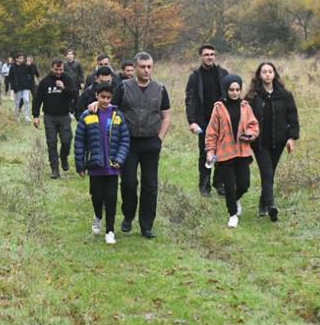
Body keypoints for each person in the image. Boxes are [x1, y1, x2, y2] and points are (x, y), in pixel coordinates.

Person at [92, 52, 171, 239]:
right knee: (129, 183)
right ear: (135, 68)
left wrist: (160, 138)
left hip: (151, 141)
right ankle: (128, 215)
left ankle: (146, 225)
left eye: (149, 67)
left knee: (150, 184)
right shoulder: (123, 87)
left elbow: (166, 114)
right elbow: (112, 109)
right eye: (142, 67)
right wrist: (94, 105)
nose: (146, 70)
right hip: (128, 142)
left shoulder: (160, 89)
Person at [74, 82, 130, 245]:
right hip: (95, 165)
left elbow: (124, 140)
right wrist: (81, 165)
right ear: (96, 97)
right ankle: (98, 215)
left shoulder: (117, 116)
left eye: (108, 97)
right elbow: (80, 142)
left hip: (112, 167)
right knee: (97, 196)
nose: (105, 100)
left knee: (112, 197)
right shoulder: (87, 115)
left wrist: (119, 159)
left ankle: (110, 230)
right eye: (102, 97)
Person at [247, 61, 300, 222]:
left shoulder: (285, 95)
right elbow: (245, 118)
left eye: (270, 71)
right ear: (259, 75)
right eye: (264, 72)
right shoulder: (253, 97)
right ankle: (271, 206)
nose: (268, 74)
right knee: (267, 172)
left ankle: (263, 204)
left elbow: (292, 117)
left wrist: (291, 138)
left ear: (275, 74)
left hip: (279, 141)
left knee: (269, 174)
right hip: (260, 143)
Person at [205, 74, 259, 228]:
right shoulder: (218, 108)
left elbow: (253, 125)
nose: (235, 93)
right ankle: (233, 214)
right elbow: (212, 132)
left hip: (242, 151)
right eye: (231, 90)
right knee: (229, 186)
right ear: (226, 90)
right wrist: (210, 151)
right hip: (225, 153)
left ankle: (236, 199)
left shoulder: (245, 106)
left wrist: (250, 134)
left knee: (244, 185)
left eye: (237, 90)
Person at [184, 44, 228, 196]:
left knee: (222, 153)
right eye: (206, 54)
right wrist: (192, 121)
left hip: (222, 121)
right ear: (201, 57)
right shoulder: (195, 77)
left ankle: (219, 183)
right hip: (203, 120)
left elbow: (231, 97)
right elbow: (190, 100)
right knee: (205, 154)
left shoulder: (223, 74)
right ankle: (204, 185)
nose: (209, 57)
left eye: (212, 54)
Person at [33, 58, 77, 178]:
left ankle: (63, 157)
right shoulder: (45, 81)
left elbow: (74, 94)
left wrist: (64, 88)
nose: (58, 72)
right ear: (52, 68)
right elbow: (37, 99)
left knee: (66, 140)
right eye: (56, 69)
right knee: (51, 143)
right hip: (49, 116)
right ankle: (55, 169)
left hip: (64, 115)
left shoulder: (68, 79)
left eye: (61, 69)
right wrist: (36, 115)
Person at [8, 54, 36, 121]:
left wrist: (30, 66)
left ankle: (27, 116)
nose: (22, 59)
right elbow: (11, 78)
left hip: (25, 86)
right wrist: (13, 87)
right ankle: (17, 116)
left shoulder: (25, 66)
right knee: (17, 102)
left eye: (22, 58)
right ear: (16, 59)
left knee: (26, 100)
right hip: (17, 88)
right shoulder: (13, 67)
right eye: (20, 58)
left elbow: (31, 73)